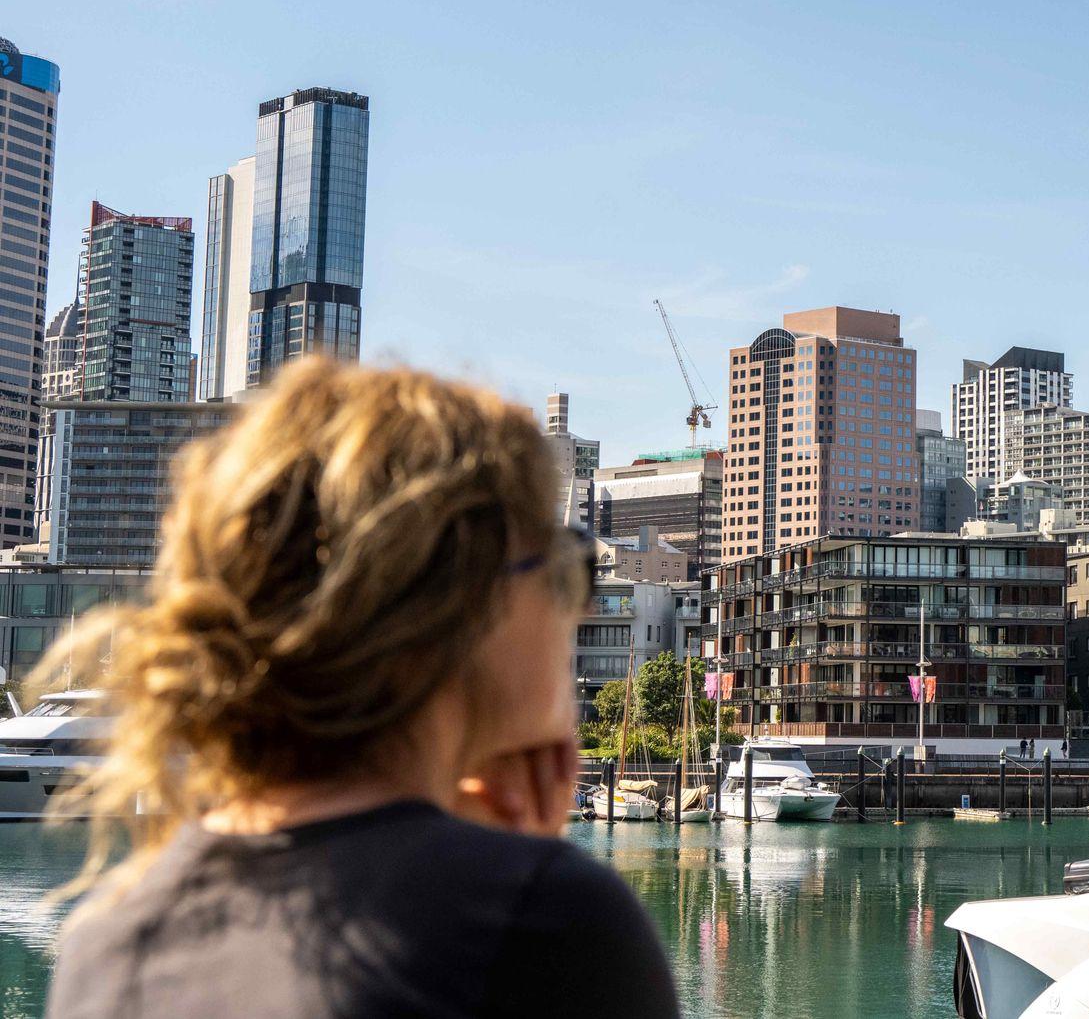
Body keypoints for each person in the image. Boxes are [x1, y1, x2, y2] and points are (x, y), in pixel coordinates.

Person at [39, 359, 678, 1019]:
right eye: (566, 566)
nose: (573, 607)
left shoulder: (109, 944)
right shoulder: (548, 924)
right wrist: (523, 883)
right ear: (449, 602)